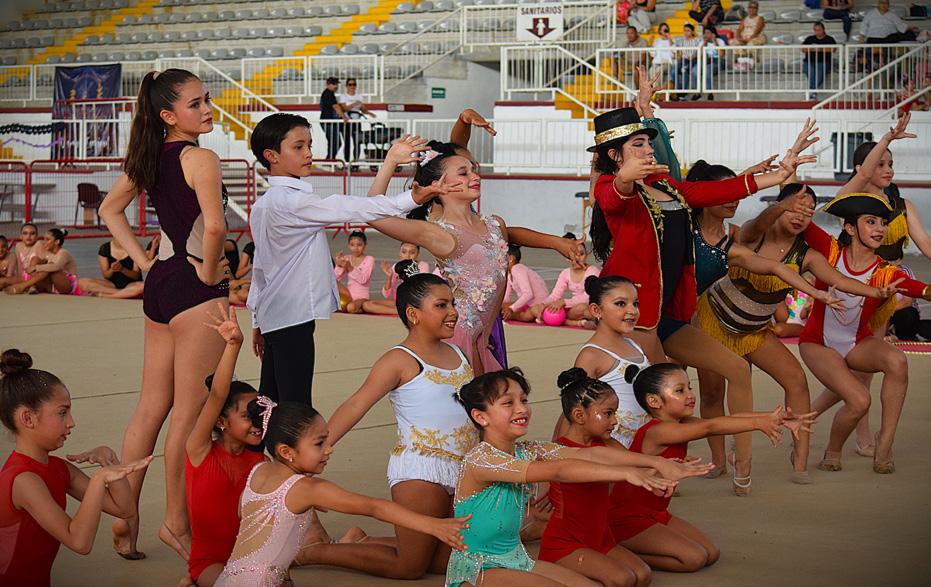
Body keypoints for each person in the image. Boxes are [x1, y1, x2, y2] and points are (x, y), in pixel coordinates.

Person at [99, 68, 232, 560]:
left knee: (150, 407)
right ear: (168, 115)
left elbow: (109, 211)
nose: (207, 109)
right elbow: (214, 228)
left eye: (206, 99)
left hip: (160, 286)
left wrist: (142, 260)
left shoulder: (150, 157)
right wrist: (210, 272)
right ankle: (176, 522)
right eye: (195, 104)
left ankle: (125, 516)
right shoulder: (201, 158)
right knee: (188, 416)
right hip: (196, 286)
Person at [696, 183, 898, 489]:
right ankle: (719, 460)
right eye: (795, 208)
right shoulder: (752, 234)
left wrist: (876, 292)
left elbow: (839, 279)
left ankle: (800, 461)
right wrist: (783, 204)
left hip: (755, 331)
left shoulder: (808, 255)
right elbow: (760, 221)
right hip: (714, 322)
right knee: (712, 394)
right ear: (779, 207)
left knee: (796, 380)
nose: (800, 216)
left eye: (808, 212)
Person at [446, 368, 712, 587]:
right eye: (508, 403)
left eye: (524, 400)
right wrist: (628, 473)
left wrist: (655, 463)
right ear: (480, 416)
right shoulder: (481, 459)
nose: (521, 408)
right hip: (478, 567)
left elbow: (591, 454)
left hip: (517, 559)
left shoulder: (527, 450)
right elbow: (560, 470)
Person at [246, 115, 440, 408]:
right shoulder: (292, 202)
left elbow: (261, 269)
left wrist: (257, 319)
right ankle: (289, 439)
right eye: (298, 147)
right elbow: (352, 207)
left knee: (271, 400)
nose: (309, 153)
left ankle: (265, 439)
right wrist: (413, 198)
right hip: (292, 315)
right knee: (295, 405)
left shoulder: (263, 204)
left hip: (275, 314)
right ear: (271, 156)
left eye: (309, 145)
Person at [298, 269, 476, 578]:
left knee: (444, 563)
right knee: (410, 567)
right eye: (441, 305)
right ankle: (315, 551)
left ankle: (361, 541)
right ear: (413, 314)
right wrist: (320, 446)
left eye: (453, 304)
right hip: (421, 469)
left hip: (462, 467)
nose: (453, 312)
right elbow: (356, 404)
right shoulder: (399, 359)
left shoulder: (459, 353)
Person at [365, 141, 580, 376]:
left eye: (473, 170)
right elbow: (372, 213)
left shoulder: (495, 224)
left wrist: (486, 331)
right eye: (463, 173)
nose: (474, 176)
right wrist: (390, 162)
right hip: (457, 332)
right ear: (439, 185)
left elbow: (500, 279)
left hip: (483, 335)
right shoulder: (439, 233)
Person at [214, 400, 471, 585]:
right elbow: (374, 507)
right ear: (286, 451)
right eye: (319, 444)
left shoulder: (259, 471)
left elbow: (246, 516)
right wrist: (434, 525)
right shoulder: (307, 489)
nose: (329, 449)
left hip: (228, 579)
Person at [610, 363, 814, 571]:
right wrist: (758, 424)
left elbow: (723, 421)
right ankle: (617, 547)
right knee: (694, 559)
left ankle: (629, 546)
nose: (690, 395)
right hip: (627, 517)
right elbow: (711, 427)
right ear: (654, 401)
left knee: (711, 553)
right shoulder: (658, 431)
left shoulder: (681, 423)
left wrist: (774, 418)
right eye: (680, 390)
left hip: (656, 512)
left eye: (689, 387)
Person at [800, 193, 931, 475]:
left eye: (883, 223)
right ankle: (833, 451)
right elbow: (802, 220)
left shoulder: (885, 272)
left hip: (856, 344)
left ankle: (885, 442)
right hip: (817, 343)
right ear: (849, 228)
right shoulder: (830, 251)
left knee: (897, 360)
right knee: (859, 400)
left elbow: (919, 289)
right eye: (871, 222)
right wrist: (788, 182)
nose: (880, 229)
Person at [0, 349, 152, 586]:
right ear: (28, 418)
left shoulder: (59, 468)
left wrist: (109, 463)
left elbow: (125, 510)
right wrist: (99, 480)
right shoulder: (23, 480)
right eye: (62, 413)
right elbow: (79, 542)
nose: (71, 422)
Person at [538, 369, 652, 587]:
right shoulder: (561, 450)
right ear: (579, 415)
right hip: (567, 541)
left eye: (614, 413)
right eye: (608, 414)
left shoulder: (606, 444)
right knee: (623, 578)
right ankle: (556, 565)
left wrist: (667, 466)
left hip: (599, 536)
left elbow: (636, 465)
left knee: (642, 575)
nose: (615, 421)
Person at [180, 304, 266, 587]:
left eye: (259, 413)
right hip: (209, 561)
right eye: (247, 415)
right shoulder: (200, 451)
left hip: (250, 559)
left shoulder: (260, 464)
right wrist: (233, 346)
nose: (257, 422)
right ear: (221, 422)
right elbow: (217, 395)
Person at [553, 275, 651, 448]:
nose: (632, 310)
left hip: (644, 439)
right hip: (614, 443)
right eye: (621, 304)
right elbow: (574, 405)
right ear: (596, 310)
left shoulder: (635, 344)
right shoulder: (592, 355)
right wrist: (560, 450)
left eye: (635, 304)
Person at [839, 113, 931, 261]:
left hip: (894, 274)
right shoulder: (849, 201)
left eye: (890, 165)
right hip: (851, 274)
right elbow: (864, 175)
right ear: (860, 168)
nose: (889, 170)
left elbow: (926, 245)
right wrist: (886, 140)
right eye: (880, 165)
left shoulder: (904, 206)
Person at [531, 233, 601, 327]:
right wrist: (543, 304)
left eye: (581, 254)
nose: (577, 258)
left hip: (588, 306)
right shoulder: (565, 273)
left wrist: (564, 302)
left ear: (586, 255)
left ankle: (570, 321)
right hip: (573, 308)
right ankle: (577, 322)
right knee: (537, 308)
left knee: (582, 308)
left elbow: (588, 297)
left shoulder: (592, 271)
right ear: (567, 257)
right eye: (574, 255)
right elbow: (555, 295)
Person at [358, 242, 430, 316]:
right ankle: (401, 312)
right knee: (367, 305)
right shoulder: (396, 266)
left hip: (415, 302)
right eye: (404, 252)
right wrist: (389, 277)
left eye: (412, 253)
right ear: (400, 253)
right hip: (401, 301)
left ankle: (407, 311)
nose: (407, 256)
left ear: (418, 254)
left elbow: (423, 291)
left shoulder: (423, 265)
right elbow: (386, 294)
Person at [5, 228, 80, 295]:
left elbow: (55, 267)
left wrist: (35, 267)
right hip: (51, 286)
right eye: (44, 239)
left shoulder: (63, 253)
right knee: (35, 259)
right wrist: (34, 264)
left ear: (57, 241)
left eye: (47, 239)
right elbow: (38, 263)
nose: (44, 242)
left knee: (50, 266)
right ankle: (32, 286)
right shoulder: (48, 253)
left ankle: (24, 286)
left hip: (67, 286)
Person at [77, 237, 143, 296]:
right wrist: (112, 269)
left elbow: (136, 276)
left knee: (142, 287)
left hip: (131, 284)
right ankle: (123, 294)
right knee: (82, 282)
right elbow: (106, 275)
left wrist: (122, 269)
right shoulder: (105, 248)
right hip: (111, 285)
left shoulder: (135, 248)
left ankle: (106, 295)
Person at [502, 245, 550, 323]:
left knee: (524, 316)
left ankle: (536, 315)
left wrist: (511, 308)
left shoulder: (517, 269)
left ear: (510, 258)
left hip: (539, 305)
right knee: (500, 308)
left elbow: (528, 294)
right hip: (527, 305)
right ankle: (530, 316)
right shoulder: (509, 273)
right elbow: (506, 298)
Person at [334, 230, 375, 314]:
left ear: (365, 245)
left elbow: (363, 279)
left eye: (359, 245)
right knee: (331, 280)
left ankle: (361, 307)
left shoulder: (369, 259)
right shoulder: (347, 258)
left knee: (351, 308)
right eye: (352, 245)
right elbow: (336, 278)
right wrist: (338, 265)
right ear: (348, 246)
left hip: (362, 297)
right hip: (348, 295)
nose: (356, 248)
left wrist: (350, 267)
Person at [338, 77, 375, 165]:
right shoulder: (343, 96)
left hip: (356, 122)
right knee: (347, 142)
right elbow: (344, 108)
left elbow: (362, 109)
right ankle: (347, 162)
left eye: (354, 84)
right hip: (347, 122)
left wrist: (369, 113)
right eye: (350, 84)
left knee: (357, 142)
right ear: (347, 86)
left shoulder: (359, 96)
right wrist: (354, 103)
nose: (352, 86)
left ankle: (356, 162)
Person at [1, 222, 46, 293]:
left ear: (37, 236)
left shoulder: (39, 244)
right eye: (25, 233)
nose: (28, 236)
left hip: (36, 278)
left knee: (34, 260)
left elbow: (43, 264)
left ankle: (31, 286)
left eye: (32, 233)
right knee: (2, 281)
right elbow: (20, 269)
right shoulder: (18, 246)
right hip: (24, 277)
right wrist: (17, 281)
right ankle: (27, 287)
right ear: (21, 236)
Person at [802, 22, 838, 101]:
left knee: (818, 75)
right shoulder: (810, 39)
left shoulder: (829, 39)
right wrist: (811, 48)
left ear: (823, 29)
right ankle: (813, 93)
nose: (817, 32)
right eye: (815, 30)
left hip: (823, 62)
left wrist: (821, 49)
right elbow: (802, 49)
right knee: (811, 73)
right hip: (809, 61)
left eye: (819, 30)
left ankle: (811, 92)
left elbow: (834, 49)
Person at [732, 1, 766, 68]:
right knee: (733, 42)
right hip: (745, 38)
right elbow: (739, 30)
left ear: (757, 9)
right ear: (748, 8)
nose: (752, 9)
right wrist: (738, 37)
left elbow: (757, 31)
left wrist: (748, 39)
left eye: (754, 7)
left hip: (757, 37)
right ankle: (741, 58)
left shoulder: (760, 18)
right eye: (750, 7)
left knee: (751, 43)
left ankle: (754, 60)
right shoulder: (745, 19)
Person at [672, 24, 701, 98]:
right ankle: (678, 90)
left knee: (684, 69)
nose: (686, 32)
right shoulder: (681, 40)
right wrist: (678, 54)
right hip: (683, 59)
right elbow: (675, 46)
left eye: (688, 30)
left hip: (693, 59)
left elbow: (700, 51)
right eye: (685, 30)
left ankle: (684, 91)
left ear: (692, 31)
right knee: (673, 71)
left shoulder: (697, 40)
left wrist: (694, 56)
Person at [698, 25, 726, 101]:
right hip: (706, 61)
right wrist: (704, 43)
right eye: (705, 33)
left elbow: (721, 54)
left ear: (713, 33)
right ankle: (697, 93)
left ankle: (710, 92)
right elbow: (699, 54)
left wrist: (715, 42)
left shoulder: (720, 41)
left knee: (707, 69)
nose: (706, 35)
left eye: (708, 33)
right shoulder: (702, 42)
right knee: (695, 70)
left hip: (718, 61)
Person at [649, 23, 675, 95]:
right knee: (651, 70)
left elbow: (674, 52)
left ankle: (656, 91)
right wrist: (651, 44)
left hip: (667, 63)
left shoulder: (672, 40)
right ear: (660, 31)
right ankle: (655, 90)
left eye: (666, 29)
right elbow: (652, 54)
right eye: (663, 29)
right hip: (656, 62)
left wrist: (670, 39)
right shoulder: (657, 41)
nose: (665, 31)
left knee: (659, 70)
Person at [320, 77, 342, 160]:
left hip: (330, 122)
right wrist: (344, 117)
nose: (336, 86)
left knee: (335, 142)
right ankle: (330, 160)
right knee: (334, 142)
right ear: (328, 84)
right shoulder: (328, 93)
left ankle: (330, 160)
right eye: (334, 84)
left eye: (336, 84)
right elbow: (335, 106)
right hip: (328, 122)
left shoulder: (330, 93)